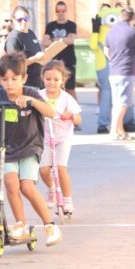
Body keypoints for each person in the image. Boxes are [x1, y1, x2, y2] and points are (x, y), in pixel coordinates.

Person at [0, 53, 63, 247]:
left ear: (24, 78)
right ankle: (20, 223)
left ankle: (50, 225)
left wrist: (31, 102)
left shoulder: (32, 93)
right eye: (5, 79)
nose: (9, 84)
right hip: (6, 149)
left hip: (29, 147)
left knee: (27, 186)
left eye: (14, 79)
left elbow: (52, 113)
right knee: (11, 184)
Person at [38, 60, 82, 214]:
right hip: (45, 138)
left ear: (63, 80)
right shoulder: (39, 96)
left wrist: (70, 116)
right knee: (43, 170)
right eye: (48, 79)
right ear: (43, 78)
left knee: (61, 168)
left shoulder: (66, 98)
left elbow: (78, 119)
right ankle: (51, 189)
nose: (51, 83)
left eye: (56, 80)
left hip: (63, 138)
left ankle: (68, 200)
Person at [105, 7, 135, 141]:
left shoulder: (111, 31)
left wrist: (113, 60)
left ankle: (120, 131)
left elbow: (106, 50)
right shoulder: (133, 31)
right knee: (122, 103)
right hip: (126, 71)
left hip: (114, 71)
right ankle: (113, 131)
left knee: (116, 102)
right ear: (133, 19)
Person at [42, 1, 78, 99]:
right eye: (58, 10)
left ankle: (74, 112)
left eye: (63, 10)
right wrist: (63, 42)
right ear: (55, 11)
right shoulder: (50, 25)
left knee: (70, 88)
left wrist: (55, 40)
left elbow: (71, 40)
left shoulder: (71, 25)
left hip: (68, 61)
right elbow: (45, 42)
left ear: (66, 11)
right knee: (55, 88)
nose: (61, 12)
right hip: (53, 62)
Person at [5, 6, 44, 89]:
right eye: (20, 19)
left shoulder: (31, 33)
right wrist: (35, 58)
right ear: (14, 20)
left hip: (38, 82)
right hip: (25, 85)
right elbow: (14, 65)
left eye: (26, 18)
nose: (23, 21)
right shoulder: (13, 38)